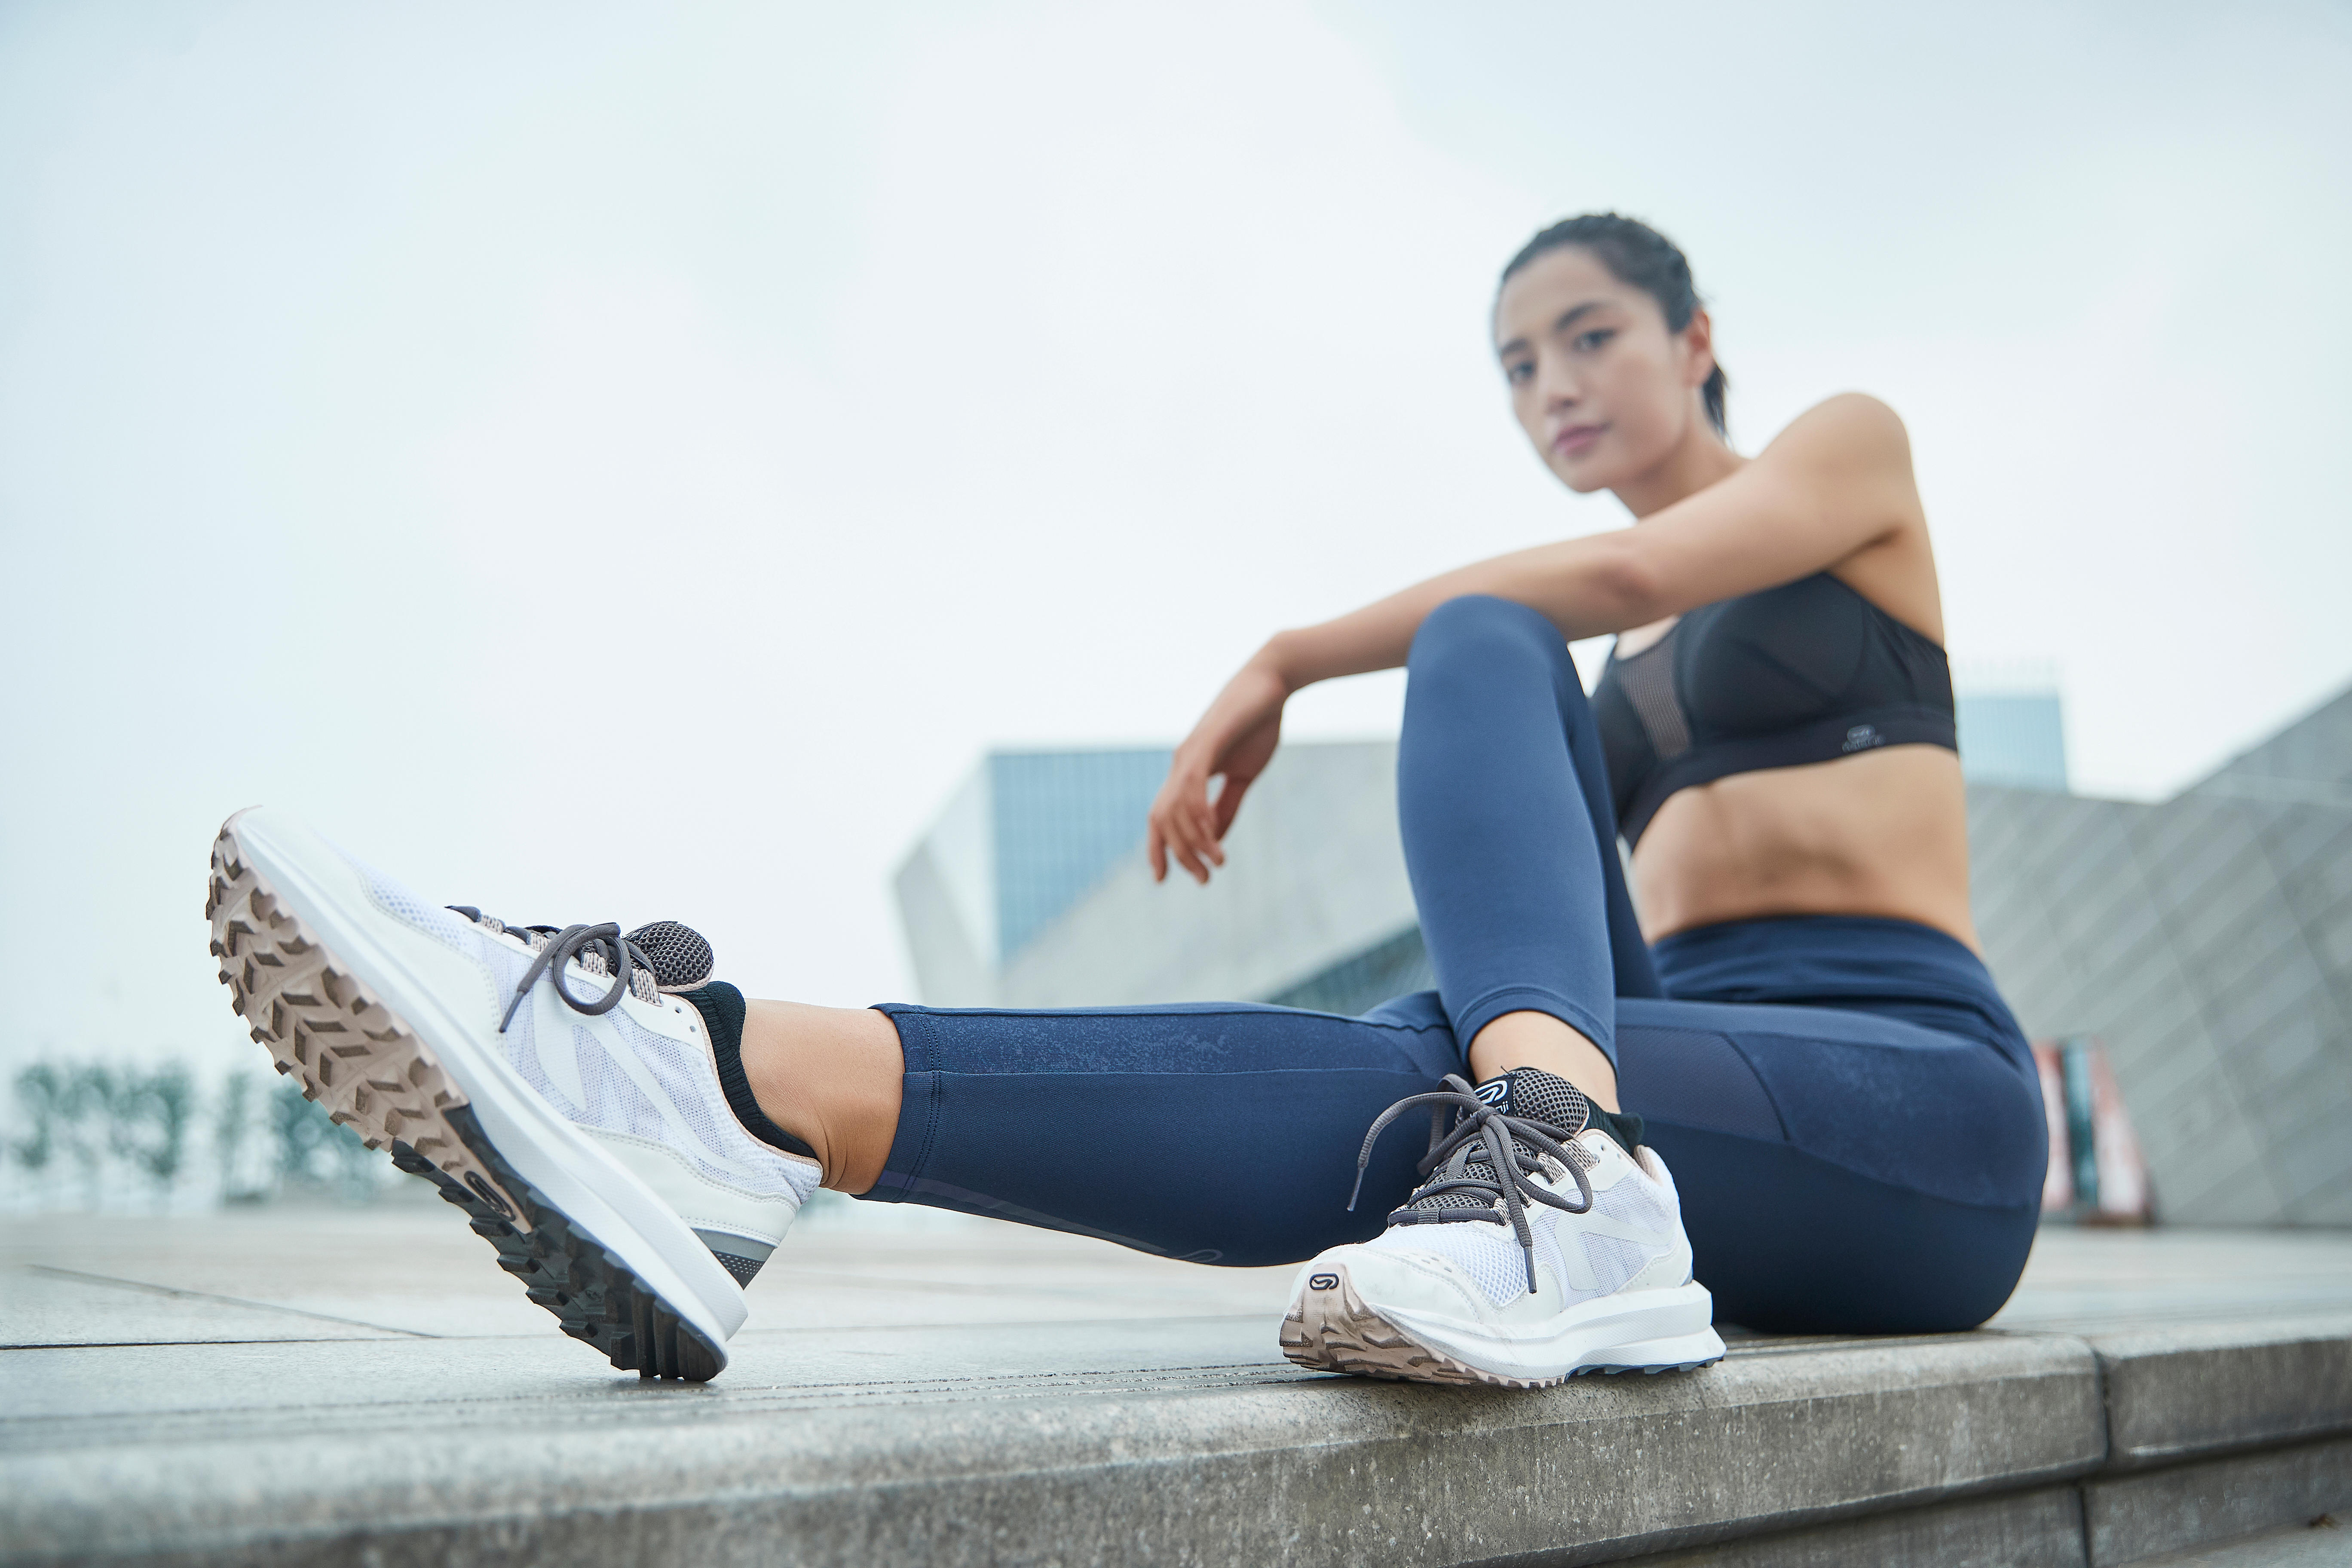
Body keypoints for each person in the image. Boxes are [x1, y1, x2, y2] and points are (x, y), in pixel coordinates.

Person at [206, 214, 2047, 1387]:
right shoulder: (1599, 678)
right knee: (1483, 720)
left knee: (1494, 629)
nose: (1551, 384)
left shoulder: (1846, 454)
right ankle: (726, 1088)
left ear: (1697, 334)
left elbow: (1629, 580)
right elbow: (1553, 662)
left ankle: (1564, 1170)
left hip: (1915, 1105)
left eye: (1589, 337)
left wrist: (1291, 654)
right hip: (1678, 1065)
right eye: (1514, 364)